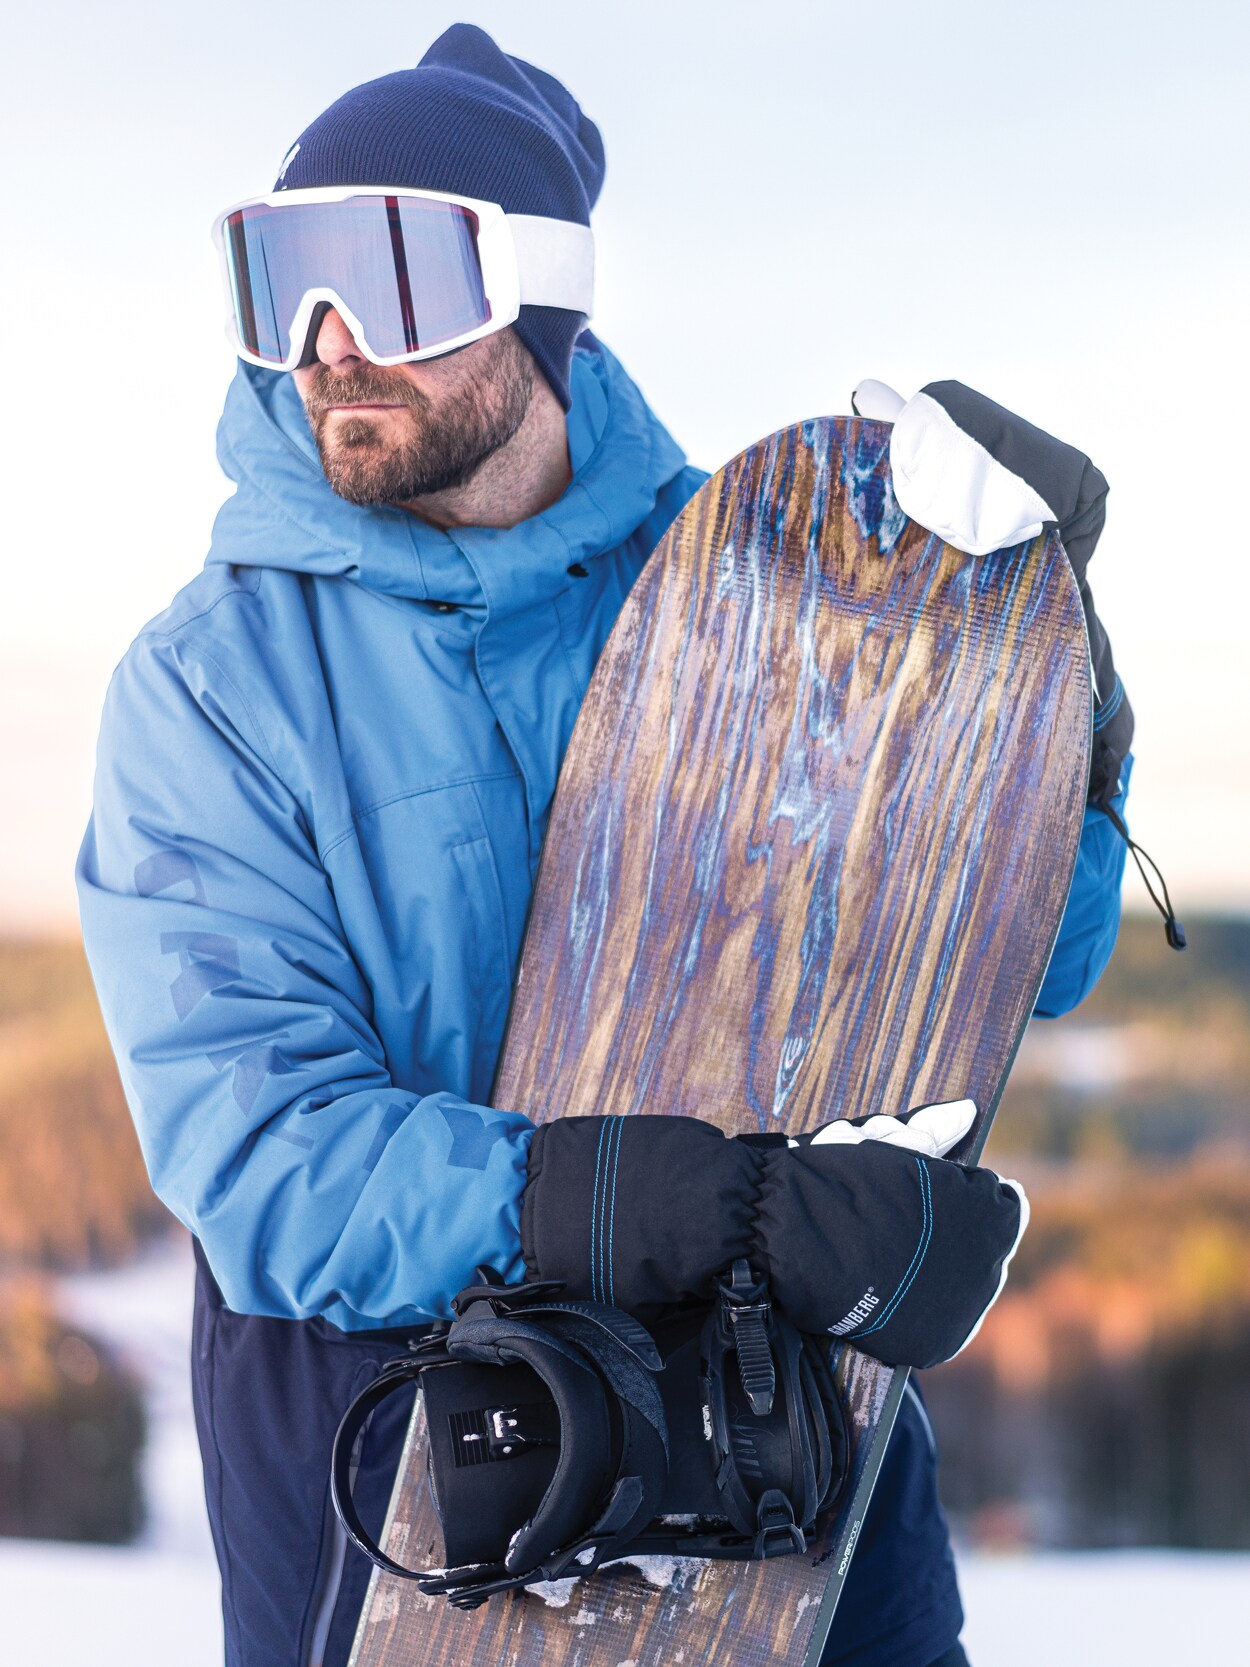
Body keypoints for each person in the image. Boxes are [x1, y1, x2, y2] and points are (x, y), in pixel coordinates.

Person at [76, 23, 1135, 1667]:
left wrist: (1042, 681)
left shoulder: (771, 585)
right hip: (415, 1493)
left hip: (791, 1472)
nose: (328, 343)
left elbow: (1027, 963)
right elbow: (265, 1164)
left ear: (541, 291)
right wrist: (704, 1205)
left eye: (391, 275)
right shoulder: (220, 682)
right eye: (281, 279)